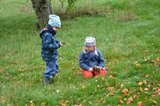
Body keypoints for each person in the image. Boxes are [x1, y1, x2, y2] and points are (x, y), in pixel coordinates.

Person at [40, 14, 63, 85]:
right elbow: (47, 45)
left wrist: (57, 42)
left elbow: (51, 41)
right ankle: (47, 78)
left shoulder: (50, 33)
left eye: (58, 28)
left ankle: (51, 75)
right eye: (56, 27)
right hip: (48, 55)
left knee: (55, 67)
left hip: (52, 54)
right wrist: (57, 45)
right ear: (51, 26)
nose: (57, 30)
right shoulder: (47, 35)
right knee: (51, 67)